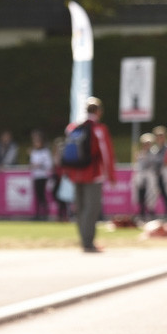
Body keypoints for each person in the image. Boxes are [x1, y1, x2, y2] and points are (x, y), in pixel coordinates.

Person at [61, 97, 116, 252]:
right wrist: (111, 175)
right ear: (99, 111)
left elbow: (67, 150)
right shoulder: (98, 129)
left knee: (80, 208)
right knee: (91, 208)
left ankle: (84, 240)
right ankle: (88, 242)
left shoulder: (73, 127)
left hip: (75, 174)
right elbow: (106, 154)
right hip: (93, 175)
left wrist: (67, 171)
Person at [28, 130, 51, 221]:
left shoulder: (45, 152)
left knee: (42, 195)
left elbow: (49, 164)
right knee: (37, 195)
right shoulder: (34, 152)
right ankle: (37, 213)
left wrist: (39, 165)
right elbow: (32, 163)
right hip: (36, 176)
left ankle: (44, 213)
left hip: (42, 176)